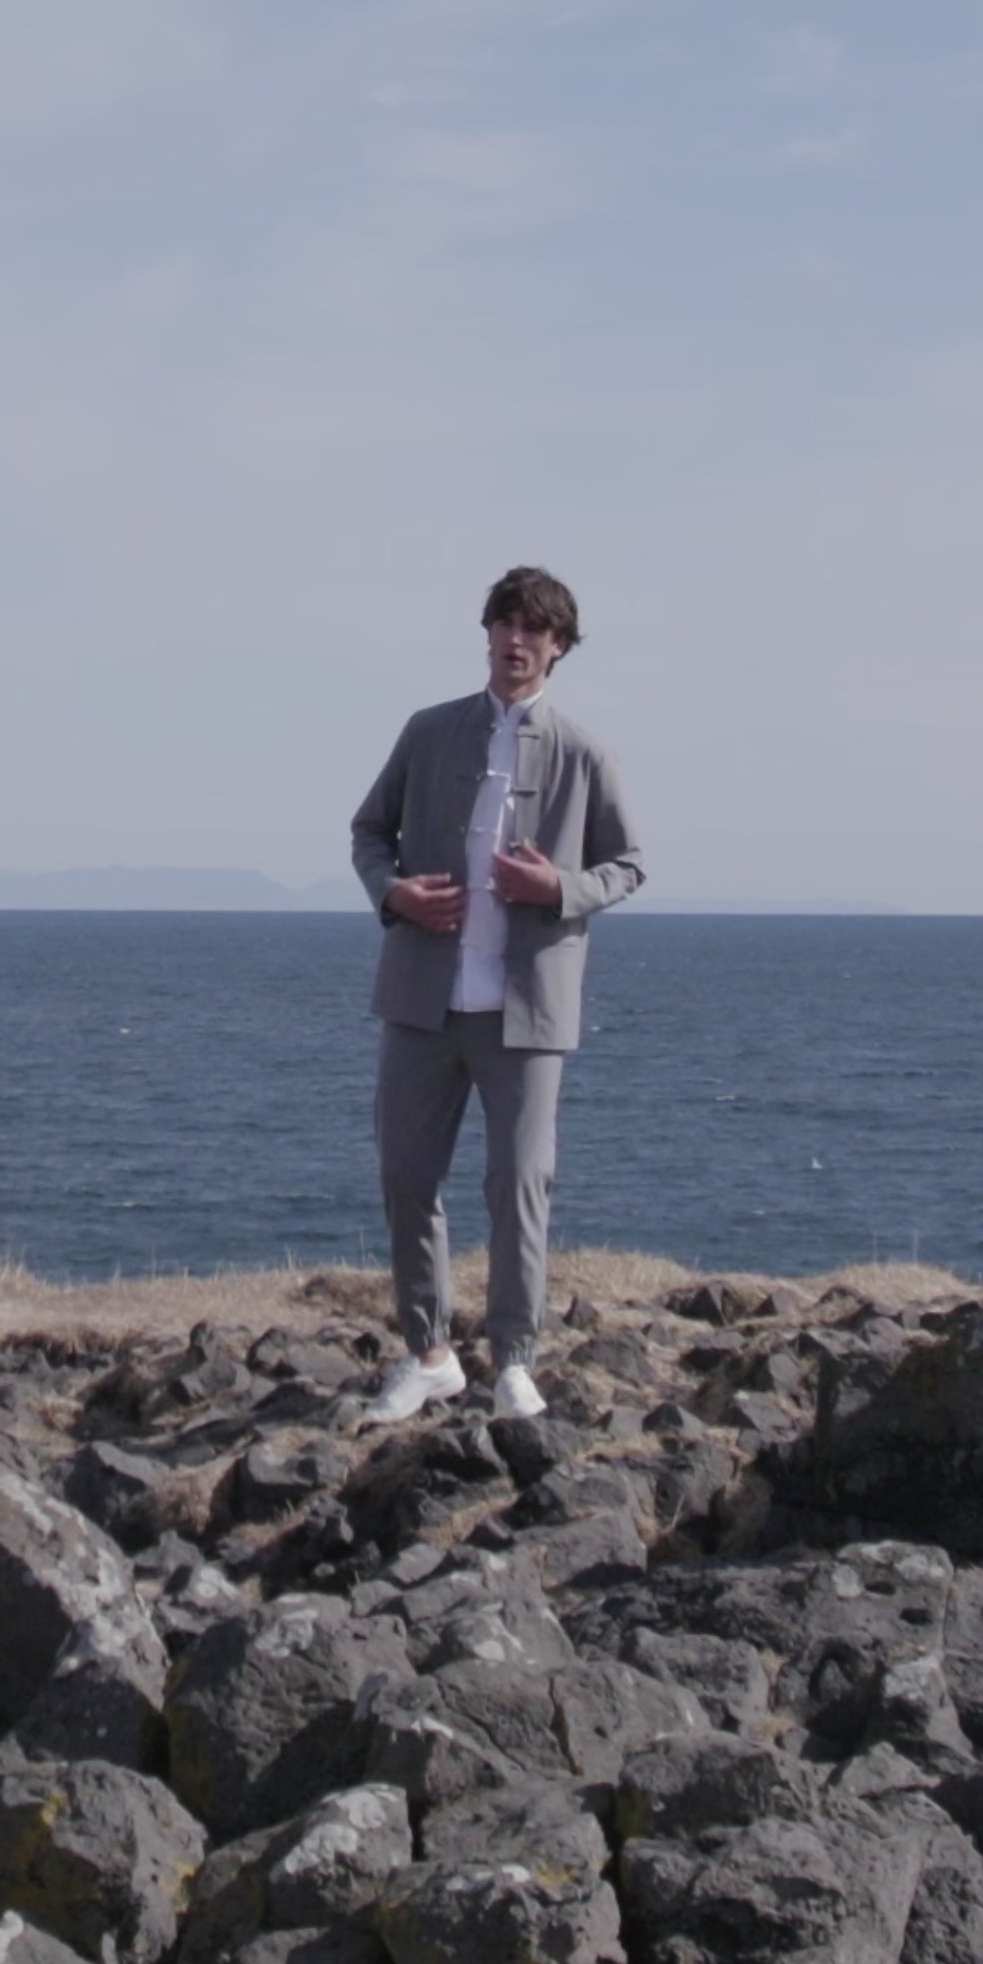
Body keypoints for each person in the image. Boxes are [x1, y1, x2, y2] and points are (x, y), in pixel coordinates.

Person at [350, 564, 644, 1423]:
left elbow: (628, 864)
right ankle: (429, 1355)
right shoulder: (428, 731)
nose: (517, 641)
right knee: (407, 1175)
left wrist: (559, 887)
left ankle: (514, 1360)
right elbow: (370, 830)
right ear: (486, 633)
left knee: (519, 1183)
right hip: (422, 1000)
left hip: (529, 1008)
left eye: (535, 630)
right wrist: (394, 893)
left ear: (559, 647)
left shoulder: (584, 751)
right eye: (505, 624)